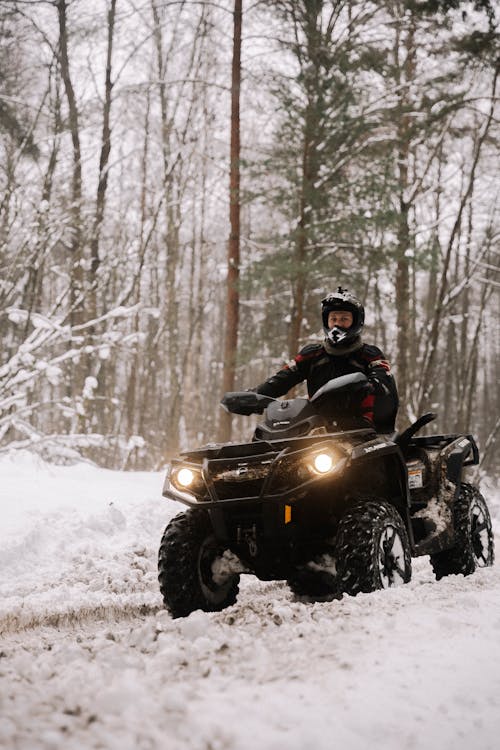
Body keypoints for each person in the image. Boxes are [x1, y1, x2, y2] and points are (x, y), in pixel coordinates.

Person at [252, 288, 398, 432]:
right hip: (317, 429)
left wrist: (368, 384)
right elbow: (283, 379)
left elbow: (383, 380)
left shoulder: (370, 354)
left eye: (344, 319)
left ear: (356, 322)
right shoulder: (312, 354)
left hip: (363, 430)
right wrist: (255, 396)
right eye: (333, 319)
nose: (337, 324)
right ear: (326, 321)